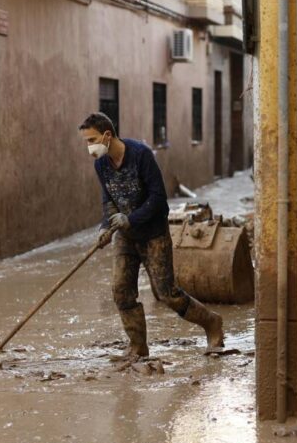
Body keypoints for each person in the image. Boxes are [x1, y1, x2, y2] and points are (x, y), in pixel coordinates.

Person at [78, 112, 224, 360]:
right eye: (86, 141)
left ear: (107, 135)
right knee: (121, 291)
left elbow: (158, 198)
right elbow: (109, 200)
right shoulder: (100, 165)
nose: (89, 146)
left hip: (153, 233)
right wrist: (106, 227)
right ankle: (138, 347)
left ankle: (212, 323)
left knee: (168, 294)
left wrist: (131, 218)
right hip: (124, 236)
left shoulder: (141, 155)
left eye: (91, 139)